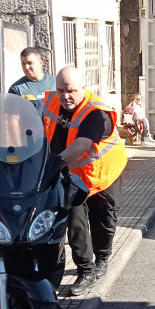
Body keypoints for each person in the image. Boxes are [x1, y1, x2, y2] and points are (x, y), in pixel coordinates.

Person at [42, 67, 127, 294]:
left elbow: (82, 145)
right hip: (72, 175)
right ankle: (85, 271)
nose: (65, 96)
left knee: (104, 218)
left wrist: (53, 164)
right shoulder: (50, 102)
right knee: (76, 222)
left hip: (103, 174)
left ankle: (102, 258)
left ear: (83, 88)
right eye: (61, 90)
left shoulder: (96, 112)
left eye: (71, 91)